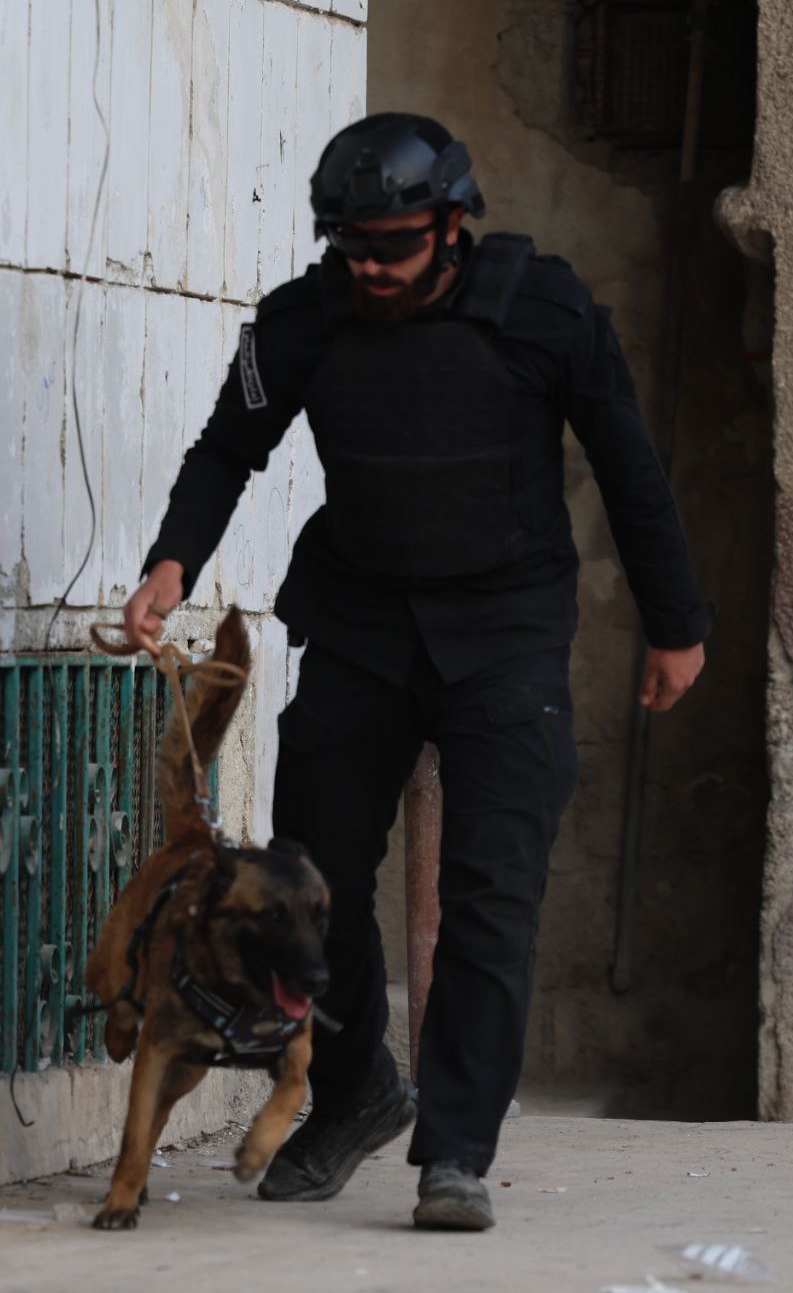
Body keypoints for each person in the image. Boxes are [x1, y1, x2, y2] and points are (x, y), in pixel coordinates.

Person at [122, 112, 711, 1232]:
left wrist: (675, 622)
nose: (371, 269)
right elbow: (227, 447)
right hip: (362, 625)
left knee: (493, 891)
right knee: (310, 881)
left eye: (391, 246)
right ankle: (354, 1095)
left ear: (450, 224)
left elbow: (628, 462)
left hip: (507, 632)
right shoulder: (301, 322)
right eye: (350, 247)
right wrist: (171, 562)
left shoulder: (543, 309)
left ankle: (455, 1152)